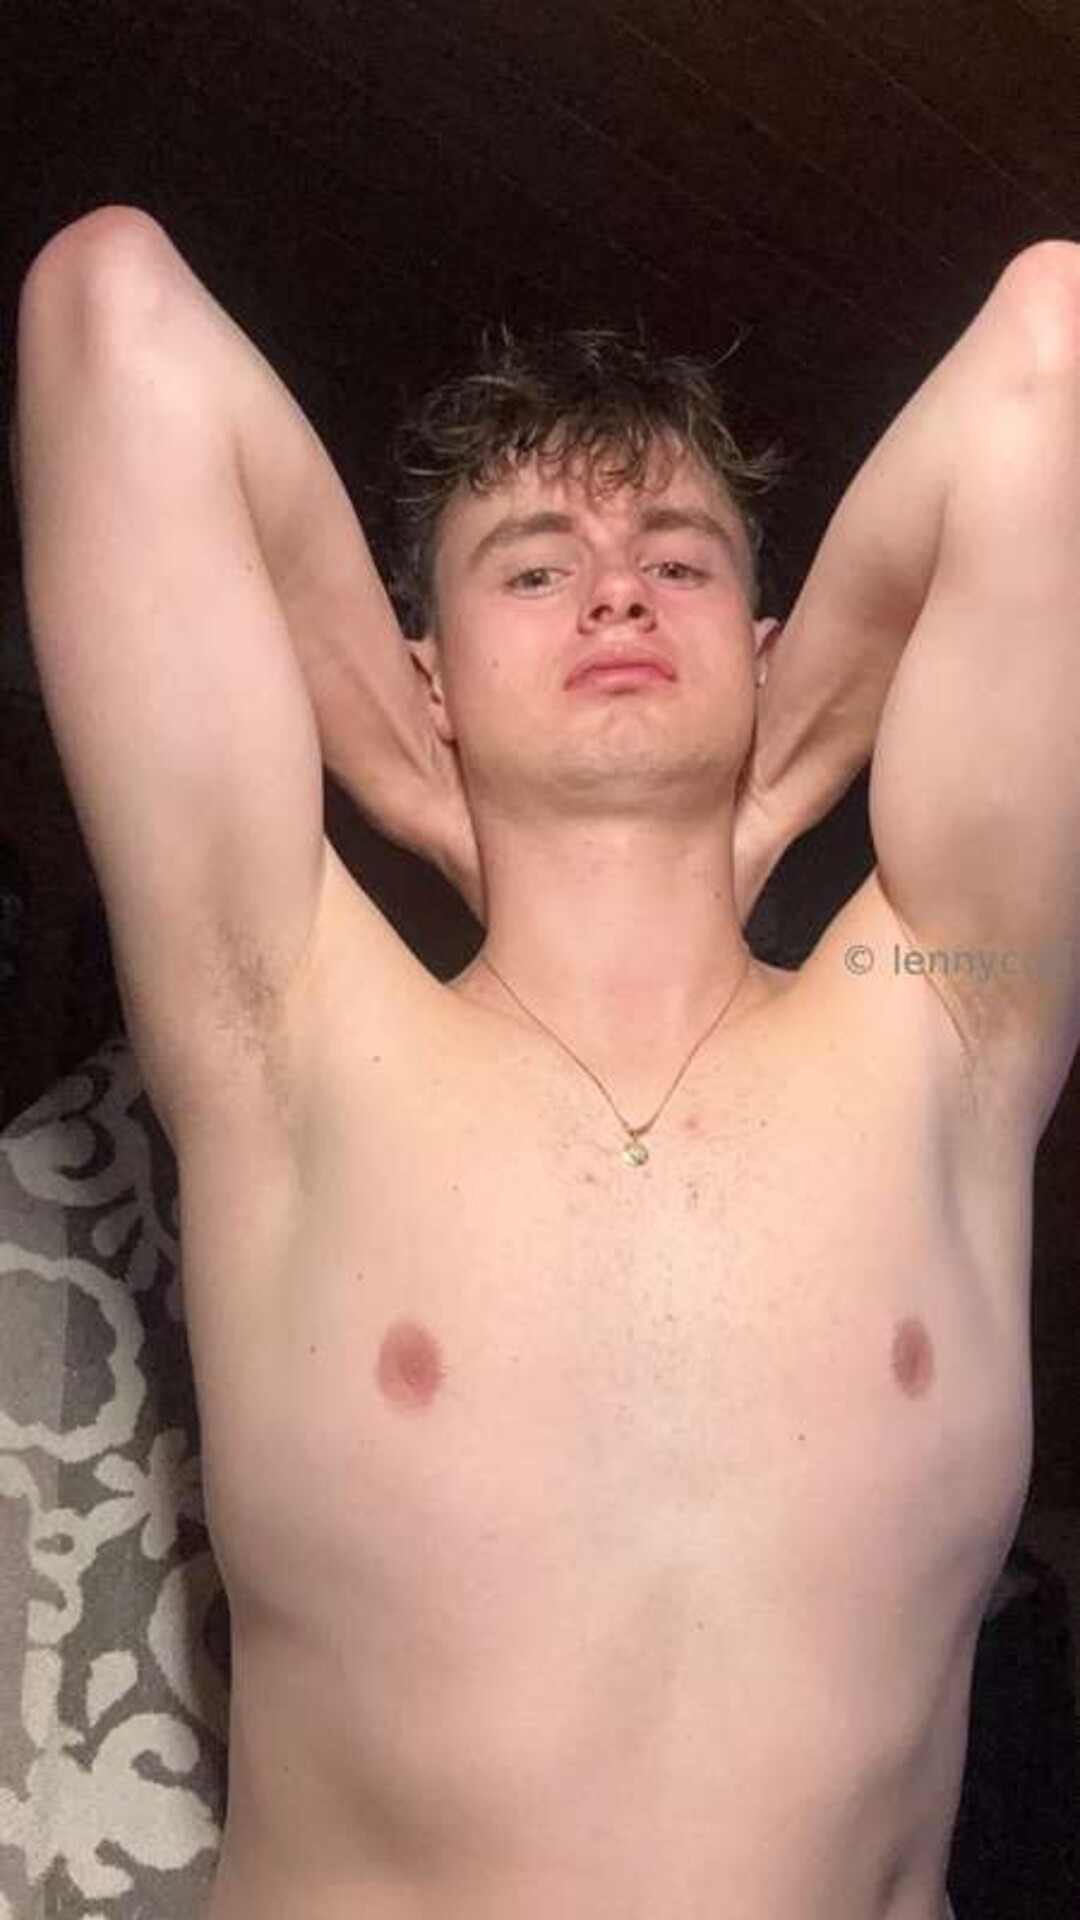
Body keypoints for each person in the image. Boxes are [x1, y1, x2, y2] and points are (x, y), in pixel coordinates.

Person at [12, 205, 1080, 1920]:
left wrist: (775, 776)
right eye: (530, 568)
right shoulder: (290, 1030)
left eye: (682, 560)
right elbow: (106, 317)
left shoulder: (950, 1018)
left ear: (768, 648)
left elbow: (1059, 348)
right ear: (423, 674)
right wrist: (420, 790)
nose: (614, 590)